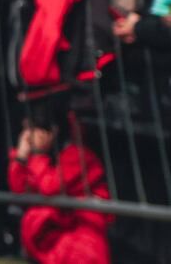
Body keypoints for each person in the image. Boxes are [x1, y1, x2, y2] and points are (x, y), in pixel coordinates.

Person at [9, 103, 112, 264]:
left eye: (32, 129)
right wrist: (20, 158)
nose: (28, 136)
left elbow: (50, 188)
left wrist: (38, 155)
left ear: (52, 131)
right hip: (50, 239)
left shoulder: (78, 155)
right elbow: (19, 191)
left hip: (78, 241)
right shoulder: (37, 157)